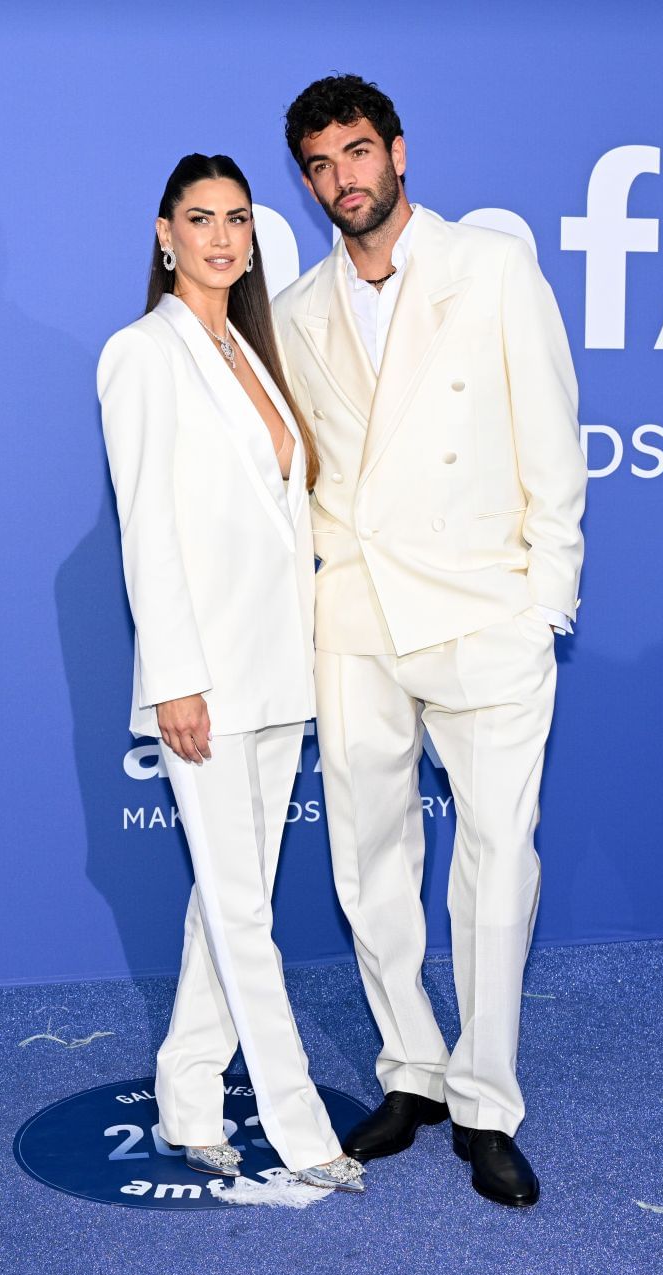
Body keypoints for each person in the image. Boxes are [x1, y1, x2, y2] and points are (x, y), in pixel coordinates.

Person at [272, 75, 587, 1207]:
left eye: (358, 152)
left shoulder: (491, 267)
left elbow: (554, 436)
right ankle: (412, 1066)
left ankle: (488, 1101)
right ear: (306, 181)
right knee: (369, 862)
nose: (343, 178)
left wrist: (543, 600)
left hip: (481, 611)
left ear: (398, 151)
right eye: (320, 164)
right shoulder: (302, 305)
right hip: (356, 617)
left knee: (498, 868)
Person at [95, 152, 365, 1193]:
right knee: (245, 913)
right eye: (200, 218)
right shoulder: (140, 353)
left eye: (238, 219)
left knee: (229, 898)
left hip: (277, 664)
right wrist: (174, 678)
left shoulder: (253, 349)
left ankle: (188, 1090)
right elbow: (145, 528)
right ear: (164, 232)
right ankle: (298, 1126)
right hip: (203, 673)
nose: (220, 237)